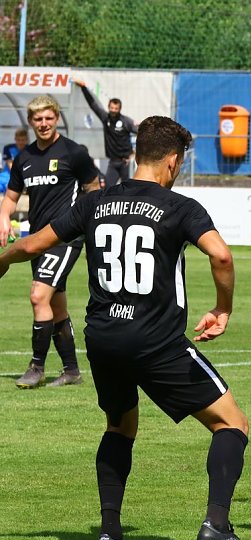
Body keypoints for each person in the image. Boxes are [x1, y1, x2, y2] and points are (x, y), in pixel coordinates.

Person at [0, 116, 251, 540]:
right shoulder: (180, 206)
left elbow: (32, 244)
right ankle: (217, 523)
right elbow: (220, 253)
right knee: (232, 424)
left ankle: (109, 534)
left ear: (138, 154)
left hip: (102, 340)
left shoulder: (94, 202)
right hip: (156, 342)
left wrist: (2, 260)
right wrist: (223, 309)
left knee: (120, 428)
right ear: (173, 161)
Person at [0, 95, 101, 388]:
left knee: (37, 296)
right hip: (37, 240)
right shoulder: (24, 158)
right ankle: (71, 371)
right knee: (56, 307)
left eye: (48, 118)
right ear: (31, 122)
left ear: (56, 117)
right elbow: (10, 197)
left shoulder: (74, 152)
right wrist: (4, 217)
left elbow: (93, 189)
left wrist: (85, 223)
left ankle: (37, 367)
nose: (43, 124)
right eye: (37, 119)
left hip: (66, 237)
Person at [75, 80, 137, 188]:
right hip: (113, 161)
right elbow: (93, 105)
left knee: (128, 189)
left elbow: (141, 133)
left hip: (125, 162)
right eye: (111, 108)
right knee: (107, 188)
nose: (113, 110)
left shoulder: (126, 121)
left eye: (116, 109)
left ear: (119, 109)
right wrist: (83, 88)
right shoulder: (105, 118)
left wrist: (135, 153)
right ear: (108, 107)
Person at [0, 128, 28, 194]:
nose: (21, 142)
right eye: (18, 140)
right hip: (8, 175)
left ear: (26, 140)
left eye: (23, 140)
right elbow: (10, 166)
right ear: (15, 139)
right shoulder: (8, 148)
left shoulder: (30, 150)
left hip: (24, 176)